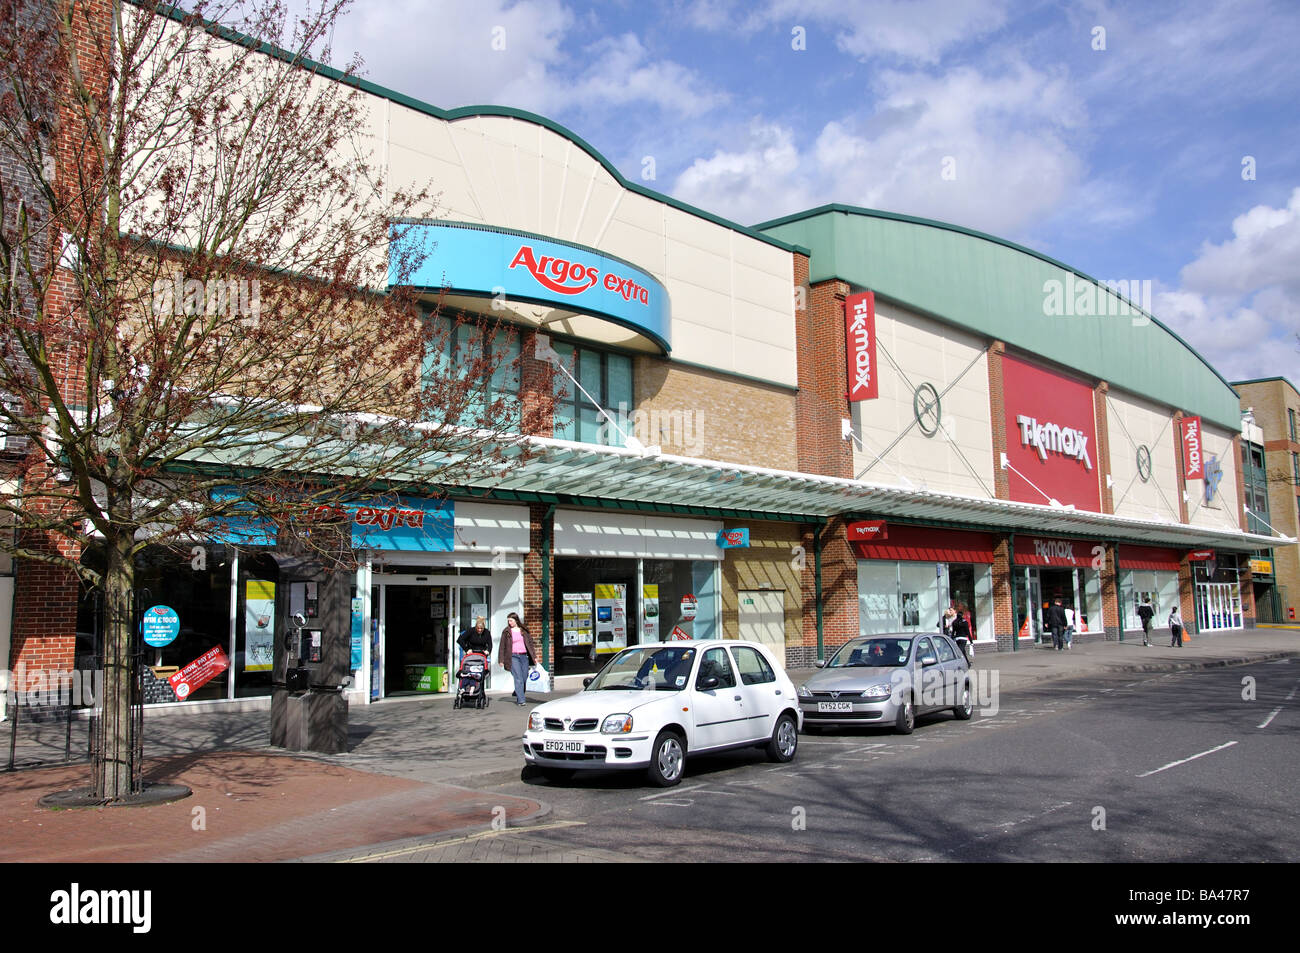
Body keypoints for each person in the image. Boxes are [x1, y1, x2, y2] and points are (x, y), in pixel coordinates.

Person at [498, 611, 539, 705]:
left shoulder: (524, 630)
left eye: (511, 621)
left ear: (516, 620)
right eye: (508, 621)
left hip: (524, 656)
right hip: (513, 656)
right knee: (518, 678)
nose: (509, 623)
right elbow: (502, 646)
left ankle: (518, 691)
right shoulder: (506, 631)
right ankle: (521, 700)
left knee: (524, 677)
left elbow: (530, 644)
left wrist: (534, 657)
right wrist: (501, 660)